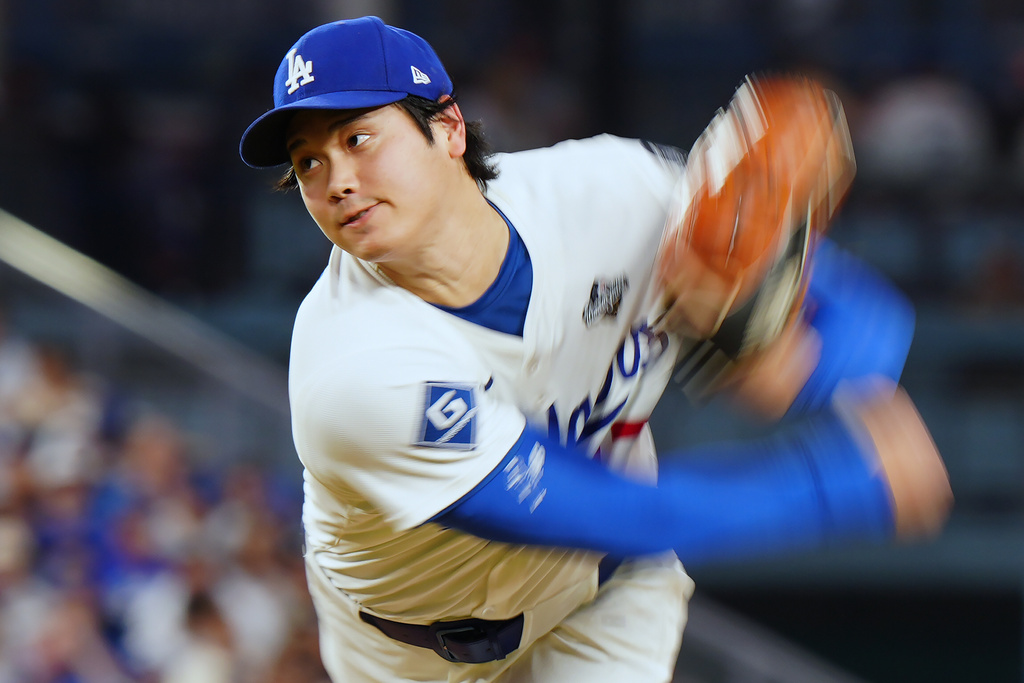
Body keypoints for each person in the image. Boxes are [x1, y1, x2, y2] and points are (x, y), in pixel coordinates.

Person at [238, 16, 952, 683]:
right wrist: (835, 486)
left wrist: (792, 356)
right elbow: (620, 513)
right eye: (308, 163)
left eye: (357, 139)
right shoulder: (354, 368)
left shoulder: (616, 193)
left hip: (607, 596)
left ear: (449, 127)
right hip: (416, 653)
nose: (337, 182)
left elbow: (867, 314)